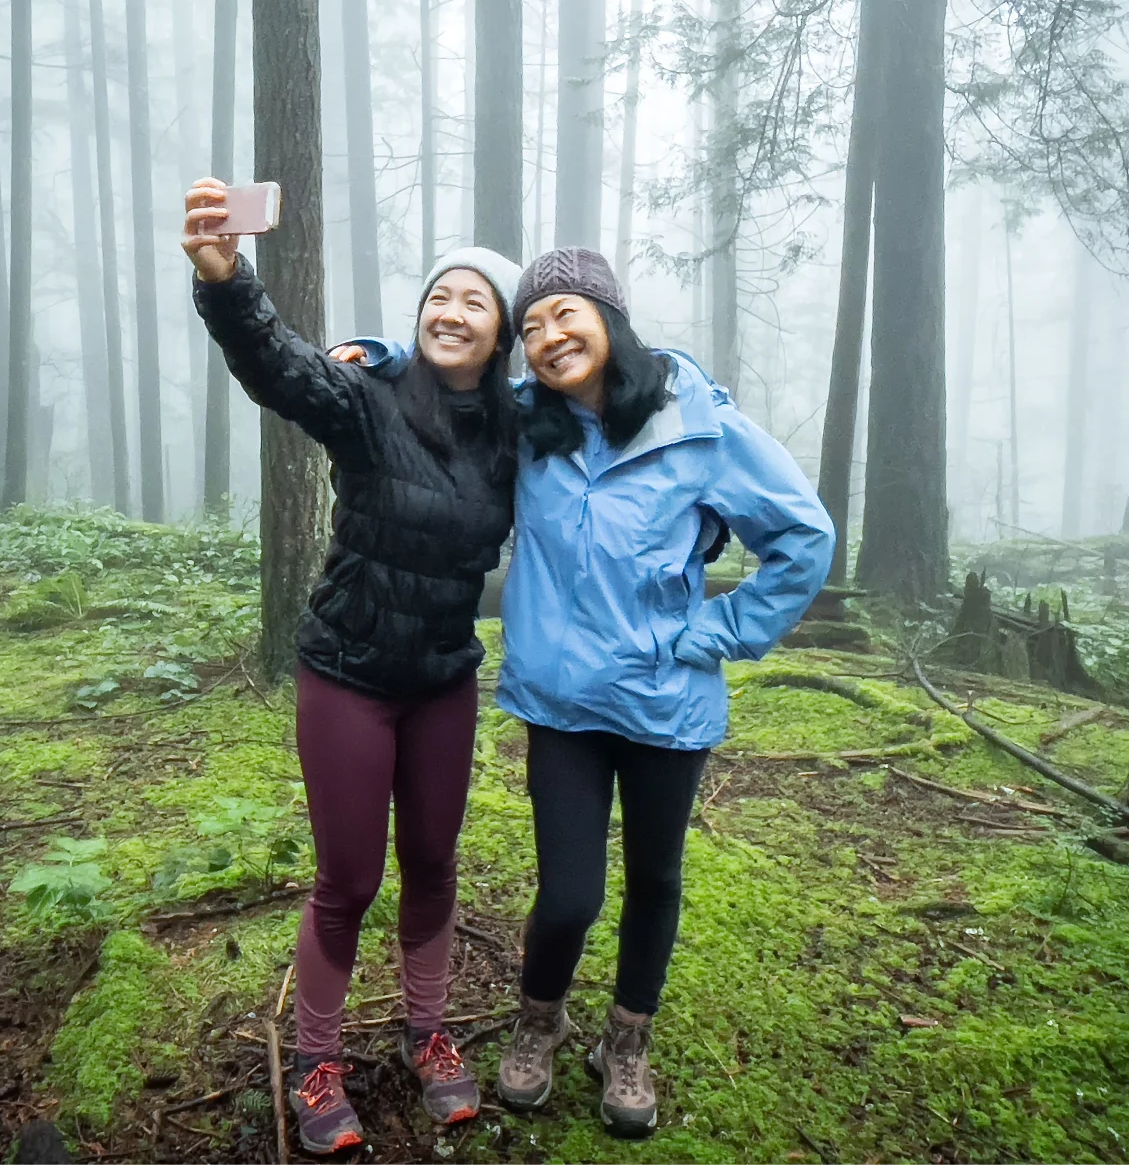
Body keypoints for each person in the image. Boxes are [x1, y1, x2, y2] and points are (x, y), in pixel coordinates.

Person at [336, 246, 833, 1138]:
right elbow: (452, 367)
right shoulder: (528, 420)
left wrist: (716, 633)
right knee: (569, 893)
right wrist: (380, 354)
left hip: (665, 702)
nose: (546, 335)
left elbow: (805, 535)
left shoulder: (700, 426)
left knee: (655, 878)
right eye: (530, 326)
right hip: (563, 702)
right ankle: (540, 1019)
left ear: (609, 319)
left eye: (565, 313)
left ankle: (627, 1040)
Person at [181, 179, 523, 1156]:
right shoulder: (370, 401)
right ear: (419, 317)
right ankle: (316, 1060)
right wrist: (225, 280)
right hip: (347, 675)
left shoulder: (511, 438)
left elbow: (605, 442)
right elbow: (281, 368)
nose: (451, 312)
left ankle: (426, 1031)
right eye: (439, 297)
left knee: (432, 862)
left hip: (443, 682)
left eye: (475, 302)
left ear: (500, 332)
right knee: (349, 879)